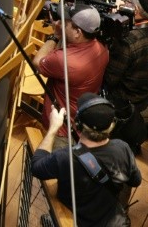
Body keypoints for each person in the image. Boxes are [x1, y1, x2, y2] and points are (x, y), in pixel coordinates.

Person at [31, 94, 142, 227]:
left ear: (77, 124)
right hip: (113, 221)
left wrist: (53, 128)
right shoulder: (122, 148)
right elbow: (136, 180)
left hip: (74, 220)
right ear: (112, 125)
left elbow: (36, 167)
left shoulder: (65, 157)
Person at [103, 0, 148, 149]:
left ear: (137, 10)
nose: (123, 3)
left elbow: (110, 79)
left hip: (128, 104)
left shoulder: (128, 41)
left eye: (128, 2)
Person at [33, 4, 109, 148]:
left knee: (55, 167)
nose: (61, 24)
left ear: (77, 32)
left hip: (61, 129)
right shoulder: (102, 48)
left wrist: (55, 36)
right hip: (80, 121)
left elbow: (37, 62)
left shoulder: (64, 60)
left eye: (66, 22)